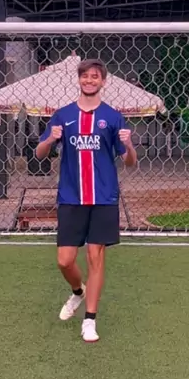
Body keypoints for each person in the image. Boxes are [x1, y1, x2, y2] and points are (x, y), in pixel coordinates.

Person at [36, 58, 137, 343]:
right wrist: (49, 139)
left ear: (103, 81)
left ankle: (90, 320)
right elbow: (40, 154)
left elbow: (130, 162)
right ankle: (78, 291)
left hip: (104, 198)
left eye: (95, 76)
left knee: (95, 256)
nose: (89, 80)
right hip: (71, 197)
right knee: (64, 261)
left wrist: (129, 145)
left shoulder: (113, 117)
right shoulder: (63, 115)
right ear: (79, 80)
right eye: (85, 76)